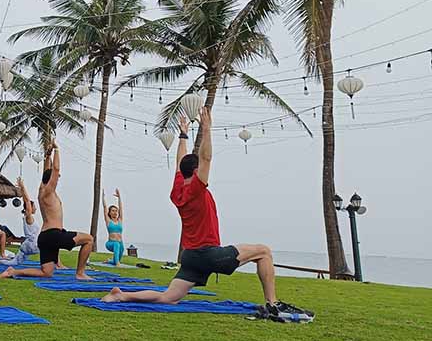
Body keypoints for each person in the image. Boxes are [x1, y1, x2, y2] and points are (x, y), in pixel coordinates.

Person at [102, 108, 313, 322]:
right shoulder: (196, 188)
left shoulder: (177, 190)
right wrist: (206, 129)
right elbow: (206, 158)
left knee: (168, 298)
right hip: (209, 255)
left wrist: (183, 135)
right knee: (264, 252)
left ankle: (121, 295)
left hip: (191, 257)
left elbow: (179, 162)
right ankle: (272, 303)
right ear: (195, 172)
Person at [0, 145, 94, 280]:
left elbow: (47, 172)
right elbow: (55, 169)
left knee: (46, 272)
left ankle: (13, 272)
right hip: (54, 235)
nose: (57, 179)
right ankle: (80, 273)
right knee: (89, 239)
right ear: (50, 181)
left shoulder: (41, 191)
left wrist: (48, 156)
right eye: (56, 178)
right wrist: (57, 150)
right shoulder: (48, 192)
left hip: (45, 237)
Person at [102, 189, 125, 265]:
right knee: (116, 244)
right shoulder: (108, 221)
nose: (115, 212)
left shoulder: (120, 220)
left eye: (116, 211)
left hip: (120, 243)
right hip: (110, 243)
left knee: (116, 259)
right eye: (113, 211)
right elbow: (105, 208)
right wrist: (103, 198)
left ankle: (110, 261)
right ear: (109, 212)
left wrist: (119, 197)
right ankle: (117, 263)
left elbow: (121, 208)